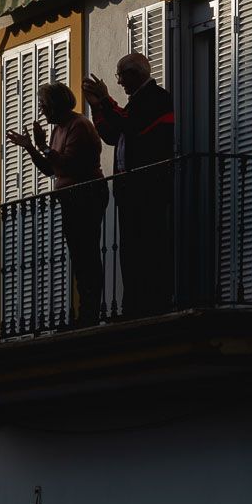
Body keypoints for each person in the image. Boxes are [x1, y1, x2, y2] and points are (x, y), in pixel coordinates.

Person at [5, 82, 108, 326]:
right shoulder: (59, 129)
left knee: (87, 256)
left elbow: (67, 165)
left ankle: (90, 313)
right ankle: (86, 311)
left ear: (55, 105)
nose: (41, 111)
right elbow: (50, 170)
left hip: (86, 196)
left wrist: (41, 146)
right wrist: (31, 146)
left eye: (43, 105)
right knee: (80, 257)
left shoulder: (78, 125)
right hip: (71, 199)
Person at [82, 53, 174, 317]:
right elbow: (113, 135)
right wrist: (97, 107)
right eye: (118, 76)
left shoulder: (157, 98)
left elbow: (130, 125)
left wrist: (106, 100)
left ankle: (149, 303)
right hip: (130, 188)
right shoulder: (135, 104)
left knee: (148, 247)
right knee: (131, 250)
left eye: (122, 75)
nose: (120, 81)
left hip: (148, 186)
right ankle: (133, 302)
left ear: (137, 74)